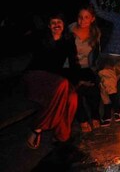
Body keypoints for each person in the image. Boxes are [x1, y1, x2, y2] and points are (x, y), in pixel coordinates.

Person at [23, 12, 79, 149]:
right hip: (35, 76)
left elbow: (74, 63)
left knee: (72, 97)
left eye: (59, 22)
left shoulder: (68, 40)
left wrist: (77, 81)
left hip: (55, 80)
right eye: (53, 23)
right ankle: (37, 128)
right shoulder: (41, 38)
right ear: (49, 26)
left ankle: (62, 136)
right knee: (62, 84)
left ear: (64, 25)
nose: (56, 25)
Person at [67, 5, 102, 133]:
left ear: (92, 19)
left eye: (86, 17)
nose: (83, 20)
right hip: (71, 67)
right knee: (76, 90)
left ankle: (94, 115)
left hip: (87, 67)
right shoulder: (70, 30)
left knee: (93, 88)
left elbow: (96, 55)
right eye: (80, 17)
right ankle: (82, 119)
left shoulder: (95, 33)